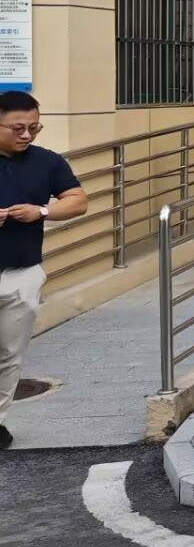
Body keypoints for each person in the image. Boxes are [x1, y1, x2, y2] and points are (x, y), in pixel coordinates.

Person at [0, 93, 88, 450]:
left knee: (9, 354)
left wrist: (42, 211)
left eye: (34, 127)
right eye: (17, 128)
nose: (27, 135)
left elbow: (78, 201)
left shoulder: (47, 161)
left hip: (23, 274)